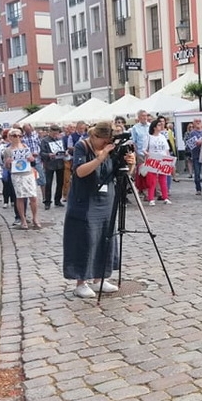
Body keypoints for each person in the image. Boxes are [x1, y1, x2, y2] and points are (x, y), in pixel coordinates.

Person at [63, 121, 136, 298]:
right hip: (84, 202)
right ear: (94, 136)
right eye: (103, 141)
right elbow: (79, 172)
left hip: (106, 201)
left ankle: (99, 279)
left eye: (108, 141)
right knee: (85, 239)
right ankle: (81, 282)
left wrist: (131, 164)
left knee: (105, 238)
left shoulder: (111, 148)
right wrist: (100, 157)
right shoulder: (82, 146)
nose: (106, 144)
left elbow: (122, 174)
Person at [4, 128, 40, 228]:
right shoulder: (8, 150)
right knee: (20, 197)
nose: (18, 138)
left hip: (28, 173)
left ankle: (35, 217)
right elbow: (6, 166)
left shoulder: (25, 146)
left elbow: (33, 161)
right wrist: (8, 162)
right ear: (10, 137)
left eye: (20, 136)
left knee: (33, 196)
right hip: (17, 175)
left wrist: (31, 159)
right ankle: (22, 219)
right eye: (15, 136)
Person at [143, 117, 172, 205]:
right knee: (152, 180)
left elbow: (167, 149)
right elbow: (143, 149)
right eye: (159, 125)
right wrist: (147, 154)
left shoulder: (162, 137)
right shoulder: (149, 137)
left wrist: (168, 159)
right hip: (152, 159)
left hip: (162, 159)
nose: (161, 126)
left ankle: (165, 197)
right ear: (154, 127)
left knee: (163, 180)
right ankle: (151, 198)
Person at [40, 125, 66, 210]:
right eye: (54, 133)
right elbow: (42, 153)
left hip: (60, 163)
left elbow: (64, 149)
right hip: (49, 164)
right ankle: (47, 202)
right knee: (48, 183)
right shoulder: (44, 141)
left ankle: (57, 200)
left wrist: (65, 153)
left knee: (60, 182)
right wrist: (48, 155)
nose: (55, 135)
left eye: (57, 133)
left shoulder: (60, 140)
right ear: (50, 132)